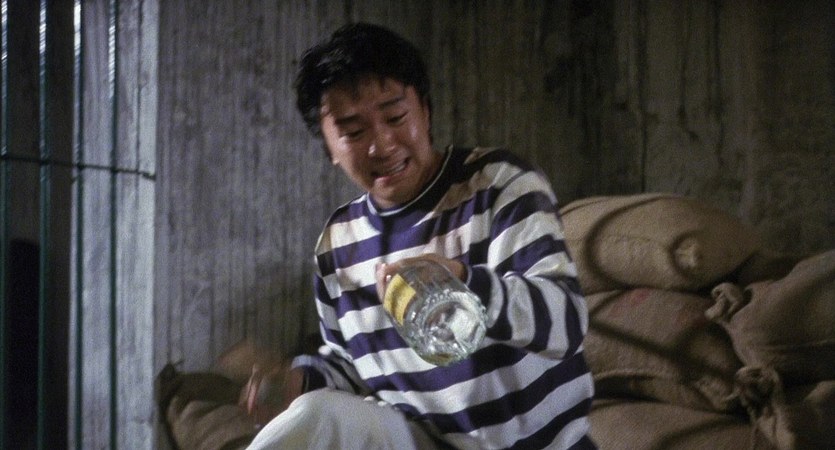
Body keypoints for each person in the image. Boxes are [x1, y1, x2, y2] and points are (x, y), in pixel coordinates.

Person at [245, 22, 596, 449]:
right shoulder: (337, 245)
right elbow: (351, 366)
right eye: (353, 132)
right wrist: (298, 382)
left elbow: (566, 321)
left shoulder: (498, 184)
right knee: (313, 414)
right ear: (329, 149)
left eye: (395, 117)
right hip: (428, 442)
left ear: (425, 112)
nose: (381, 145)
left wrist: (464, 282)